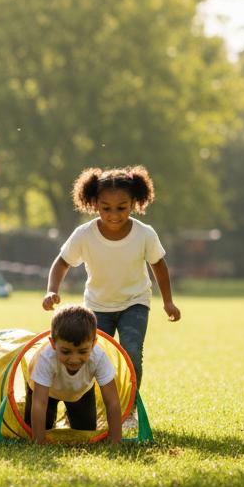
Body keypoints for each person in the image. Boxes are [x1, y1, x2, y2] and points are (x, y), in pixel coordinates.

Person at [42, 165, 181, 388]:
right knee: (93, 355)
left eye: (121, 208)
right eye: (106, 208)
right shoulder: (84, 234)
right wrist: (52, 290)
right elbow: (62, 262)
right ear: (94, 203)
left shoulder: (144, 233)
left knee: (132, 351)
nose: (114, 215)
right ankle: (91, 404)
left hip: (135, 302)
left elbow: (159, 265)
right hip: (97, 306)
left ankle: (129, 407)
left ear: (134, 203)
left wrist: (168, 301)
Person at [26, 305, 123, 445]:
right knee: (34, 429)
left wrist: (116, 439)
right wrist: (39, 441)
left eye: (82, 352)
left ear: (94, 343)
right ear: (53, 344)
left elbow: (112, 401)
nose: (74, 359)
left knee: (85, 432)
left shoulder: (99, 356)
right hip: (47, 393)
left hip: (80, 392)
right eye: (66, 352)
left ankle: (70, 415)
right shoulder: (46, 358)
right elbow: (39, 403)